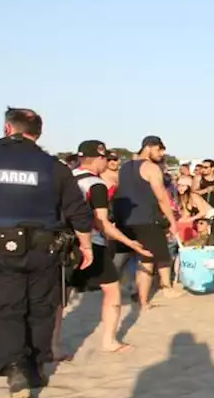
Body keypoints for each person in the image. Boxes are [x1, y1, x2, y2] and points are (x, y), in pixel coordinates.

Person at [0, 108, 95, 398]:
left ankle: (16, 369)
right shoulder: (55, 167)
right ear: (39, 133)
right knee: (40, 308)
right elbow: (78, 211)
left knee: (1, 308)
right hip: (45, 250)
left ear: (7, 128)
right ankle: (34, 370)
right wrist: (86, 247)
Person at [57, 140, 152, 355]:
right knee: (111, 291)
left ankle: (53, 345)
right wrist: (130, 243)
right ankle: (109, 341)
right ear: (100, 158)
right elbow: (102, 223)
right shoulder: (95, 184)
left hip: (63, 244)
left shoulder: (65, 178)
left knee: (61, 296)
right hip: (92, 244)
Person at [111, 135, 180, 309]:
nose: (161, 153)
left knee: (126, 258)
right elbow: (162, 197)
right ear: (149, 147)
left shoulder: (124, 167)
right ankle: (144, 300)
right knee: (147, 260)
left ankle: (124, 293)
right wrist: (172, 220)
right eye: (159, 149)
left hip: (125, 219)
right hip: (146, 219)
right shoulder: (151, 168)